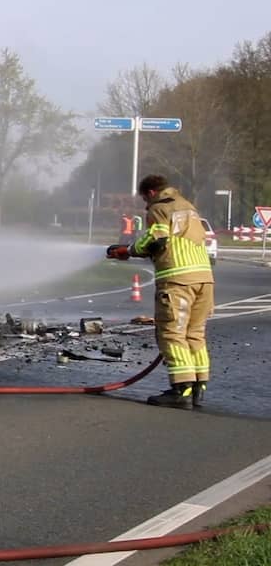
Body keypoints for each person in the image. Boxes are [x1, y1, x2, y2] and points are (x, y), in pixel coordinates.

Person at [106, 175, 214, 409]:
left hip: (178, 280)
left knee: (172, 333)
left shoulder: (160, 208)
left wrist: (129, 250)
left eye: (145, 199)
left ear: (151, 193)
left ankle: (181, 390)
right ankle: (198, 388)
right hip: (205, 279)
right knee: (195, 334)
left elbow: (157, 240)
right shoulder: (188, 207)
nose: (146, 204)